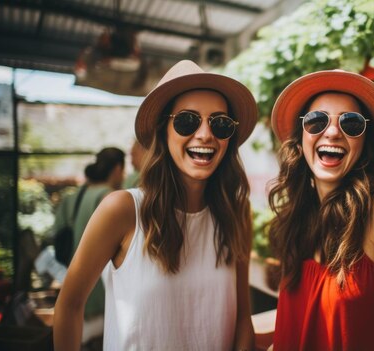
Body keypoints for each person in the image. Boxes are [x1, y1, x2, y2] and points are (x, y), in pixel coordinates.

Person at [54, 60, 258, 350]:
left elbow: (241, 319)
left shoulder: (236, 214)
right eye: (187, 120)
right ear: (164, 131)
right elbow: (69, 305)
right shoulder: (123, 210)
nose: (205, 134)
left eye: (220, 123)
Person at [268, 70, 374, 350]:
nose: (332, 131)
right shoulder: (296, 218)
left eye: (351, 123)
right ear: (301, 137)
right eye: (316, 121)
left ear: (365, 141)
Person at [48, 146, 125, 347]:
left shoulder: (75, 196)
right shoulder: (111, 199)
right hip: (99, 291)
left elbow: (56, 232)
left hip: (73, 281)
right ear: (117, 169)